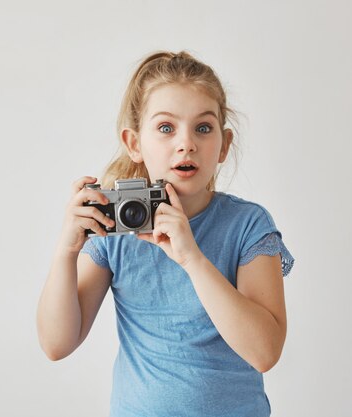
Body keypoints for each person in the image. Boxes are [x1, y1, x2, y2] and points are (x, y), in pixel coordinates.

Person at [36, 51, 294, 417]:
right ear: (134, 143)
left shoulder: (248, 225)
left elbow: (265, 352)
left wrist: (193, 258)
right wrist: (65, 251)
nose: (185, 143)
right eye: (166, 128)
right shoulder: (116, 233)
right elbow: (56, 344)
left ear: (223, 145)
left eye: (203, 128)